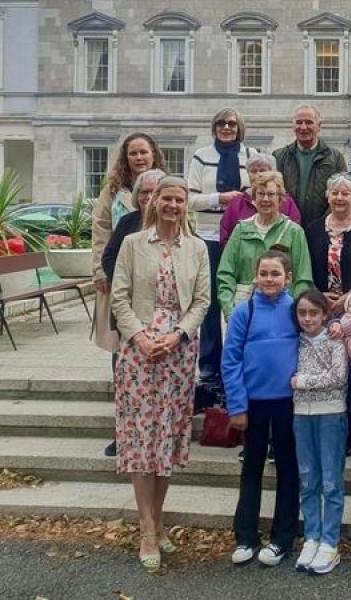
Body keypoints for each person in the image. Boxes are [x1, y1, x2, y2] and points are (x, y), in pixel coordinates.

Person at [110, 175, 210, 572]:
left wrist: (178, 335)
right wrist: (139, 336)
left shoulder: (197, 248)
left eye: (179, 199)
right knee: (141, 439)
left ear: (187, 205)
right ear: (154, 203)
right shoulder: (135, 244)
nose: (172, 205)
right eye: (166, 199)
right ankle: (147, 529)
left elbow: (202, 301)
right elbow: (118, 295)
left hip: (178, 353)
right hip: (139, 353)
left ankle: (159, 518)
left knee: (166, 439)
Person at [223, 250, 300, 567]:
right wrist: (237, 405)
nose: (269, 280)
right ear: (255, 276)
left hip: (288, 403)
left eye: (276, 274)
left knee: (288, 468)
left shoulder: (297, 309)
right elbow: (230, 361)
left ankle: (283, 537)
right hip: (253, 403)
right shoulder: (245, 311)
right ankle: (245, 535)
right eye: (264, 274)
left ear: (288, 278)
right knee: (252, 467)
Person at [91, 133, 165, 457]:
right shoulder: (114, 196)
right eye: (133, 153)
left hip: (160, 305)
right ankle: (124, 431)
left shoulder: (170, 198)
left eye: (143, 152)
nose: (138, 157)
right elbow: (103, 240)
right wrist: (102, 273)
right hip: (122, 293)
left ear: (153, 155)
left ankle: (158, 430)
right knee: (122, 364)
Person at [188, 108, 258, 388]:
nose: (226, 127)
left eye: (232, 123)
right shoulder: (202, 156)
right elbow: (190, 199)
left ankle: (239, 357)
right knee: (210, 301)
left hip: (242, 235)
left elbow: (261, 191)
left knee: (241, 297)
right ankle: (209, 365)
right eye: (221, 123)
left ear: (239, 127)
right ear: (214, 126)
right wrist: (221, 198)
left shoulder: (251, 155)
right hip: (208, 234)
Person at [306, 172, 351, 455]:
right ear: (328, 196)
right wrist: (321, 296)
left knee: (349, 369)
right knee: (324, 368)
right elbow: (304, 265)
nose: (340, 198)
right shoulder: (312, 229)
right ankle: (322, 430)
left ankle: (350, 434)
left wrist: (348, 298)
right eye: (335, 193)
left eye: (346, 193)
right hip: (320, 307)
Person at [291, 289, 349, 575]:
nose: (307, 318)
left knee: (330, 480)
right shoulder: (295, 343)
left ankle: (330, 541)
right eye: (302, 313)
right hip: (301, 415)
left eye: (314, 313)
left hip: (330, 414)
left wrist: (304, 381)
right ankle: (312, 536)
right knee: (308, 478)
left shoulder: (335, 342)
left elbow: (338, 377)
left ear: (325, 314)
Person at [217, 172, 313, 319]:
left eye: (271, 194)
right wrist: (230, 310)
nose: (265, 199)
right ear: (254, 198)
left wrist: (293, 311)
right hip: (243, 309)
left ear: (280, 198)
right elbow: (225, 273)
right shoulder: (241, 230)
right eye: (261, 194)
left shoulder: (294, 232)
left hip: (282, 310)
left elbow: (303, 278)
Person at [273, 104, 347, 224]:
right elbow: (274, 194)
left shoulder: (335, 157)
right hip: (286, 227)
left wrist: (323, 224)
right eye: (299, 122)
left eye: (309, 122)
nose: (303, 127)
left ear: (319, 126)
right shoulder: (279, 157)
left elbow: (342, 193)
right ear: (293, 126)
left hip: (323, 228)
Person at [219, 153, 301, 248]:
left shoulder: (286, 201)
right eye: (253, 171)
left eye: (262, 170)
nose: (258, 175)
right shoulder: (237, 203)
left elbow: (295, 233)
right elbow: (225, 236)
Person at [102, 169, 167, 283]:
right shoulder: (126, 222)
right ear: (137, 195)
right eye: (144, 192)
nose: (149, 197)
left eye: (154, 192)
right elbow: (109, 258)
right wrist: (122, 281)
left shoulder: (173, 222)